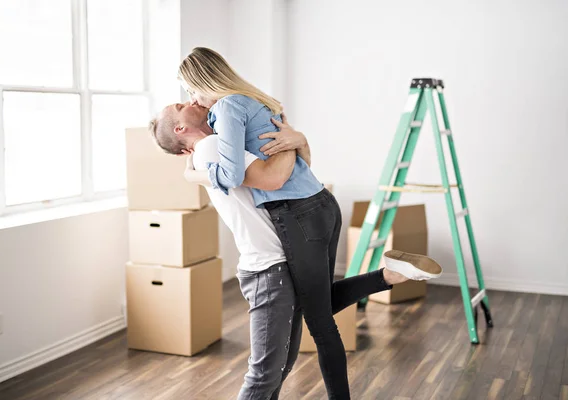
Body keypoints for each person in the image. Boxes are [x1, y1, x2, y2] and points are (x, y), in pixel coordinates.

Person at [152, 47, 442, 400]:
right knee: (314, 307)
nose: (191, 98)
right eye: (183, 101)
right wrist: (298, 141)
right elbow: (288, 165)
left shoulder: (220, 128)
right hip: (318, 206)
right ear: (182, 128)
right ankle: (388, 275)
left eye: (189, 91)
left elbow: (272, 178)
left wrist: (195, 177)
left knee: (318, 323)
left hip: (295, 218)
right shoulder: (226, 128)